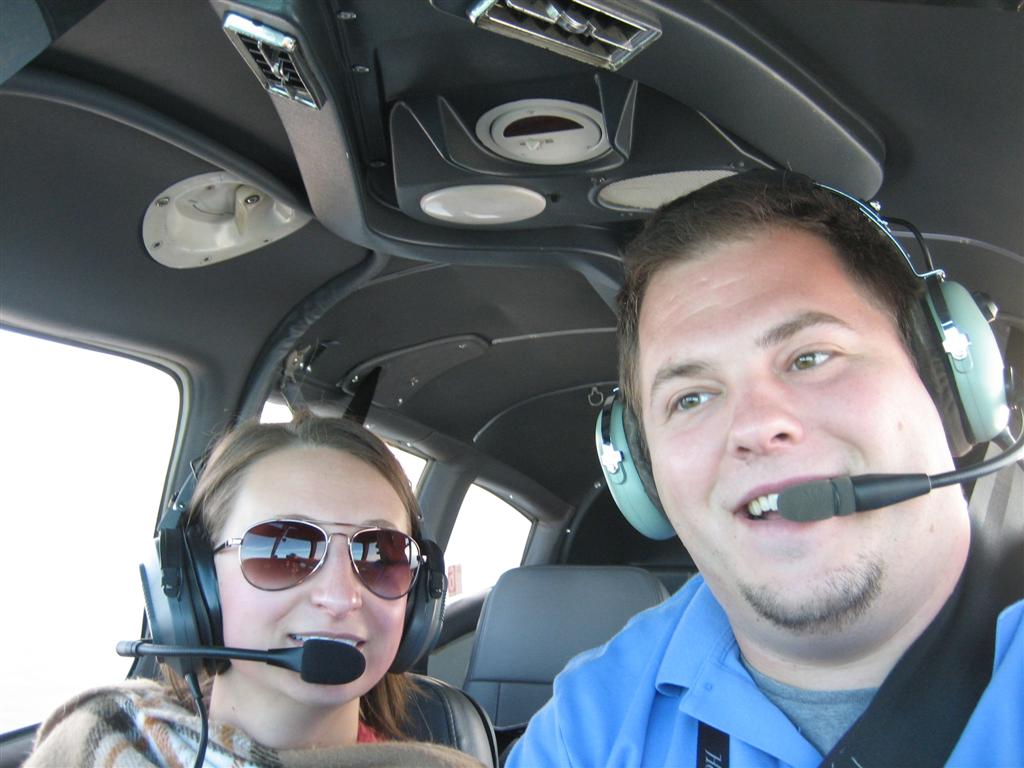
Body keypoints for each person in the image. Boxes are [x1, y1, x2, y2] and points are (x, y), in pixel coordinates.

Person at [506, 170, 1023, 767]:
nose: (754, 425)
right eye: (691, 398)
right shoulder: (587, 730)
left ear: (947, 378)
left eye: (810, 357)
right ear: (644, 474)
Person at [27, 412, 484, 768]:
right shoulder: (92, 745)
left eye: (381, 557)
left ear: (420, 599)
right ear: (196, 583)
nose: (340, 597)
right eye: (283, 551)